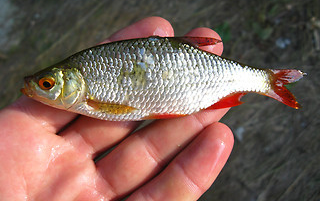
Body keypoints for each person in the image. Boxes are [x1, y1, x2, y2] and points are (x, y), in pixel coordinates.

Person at [0, 17, 233, 200]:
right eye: (46, 85)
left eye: (46, 85)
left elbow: (119, 109)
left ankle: (266, 81)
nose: (40, 89)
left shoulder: (87, 94)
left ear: (73, 82)